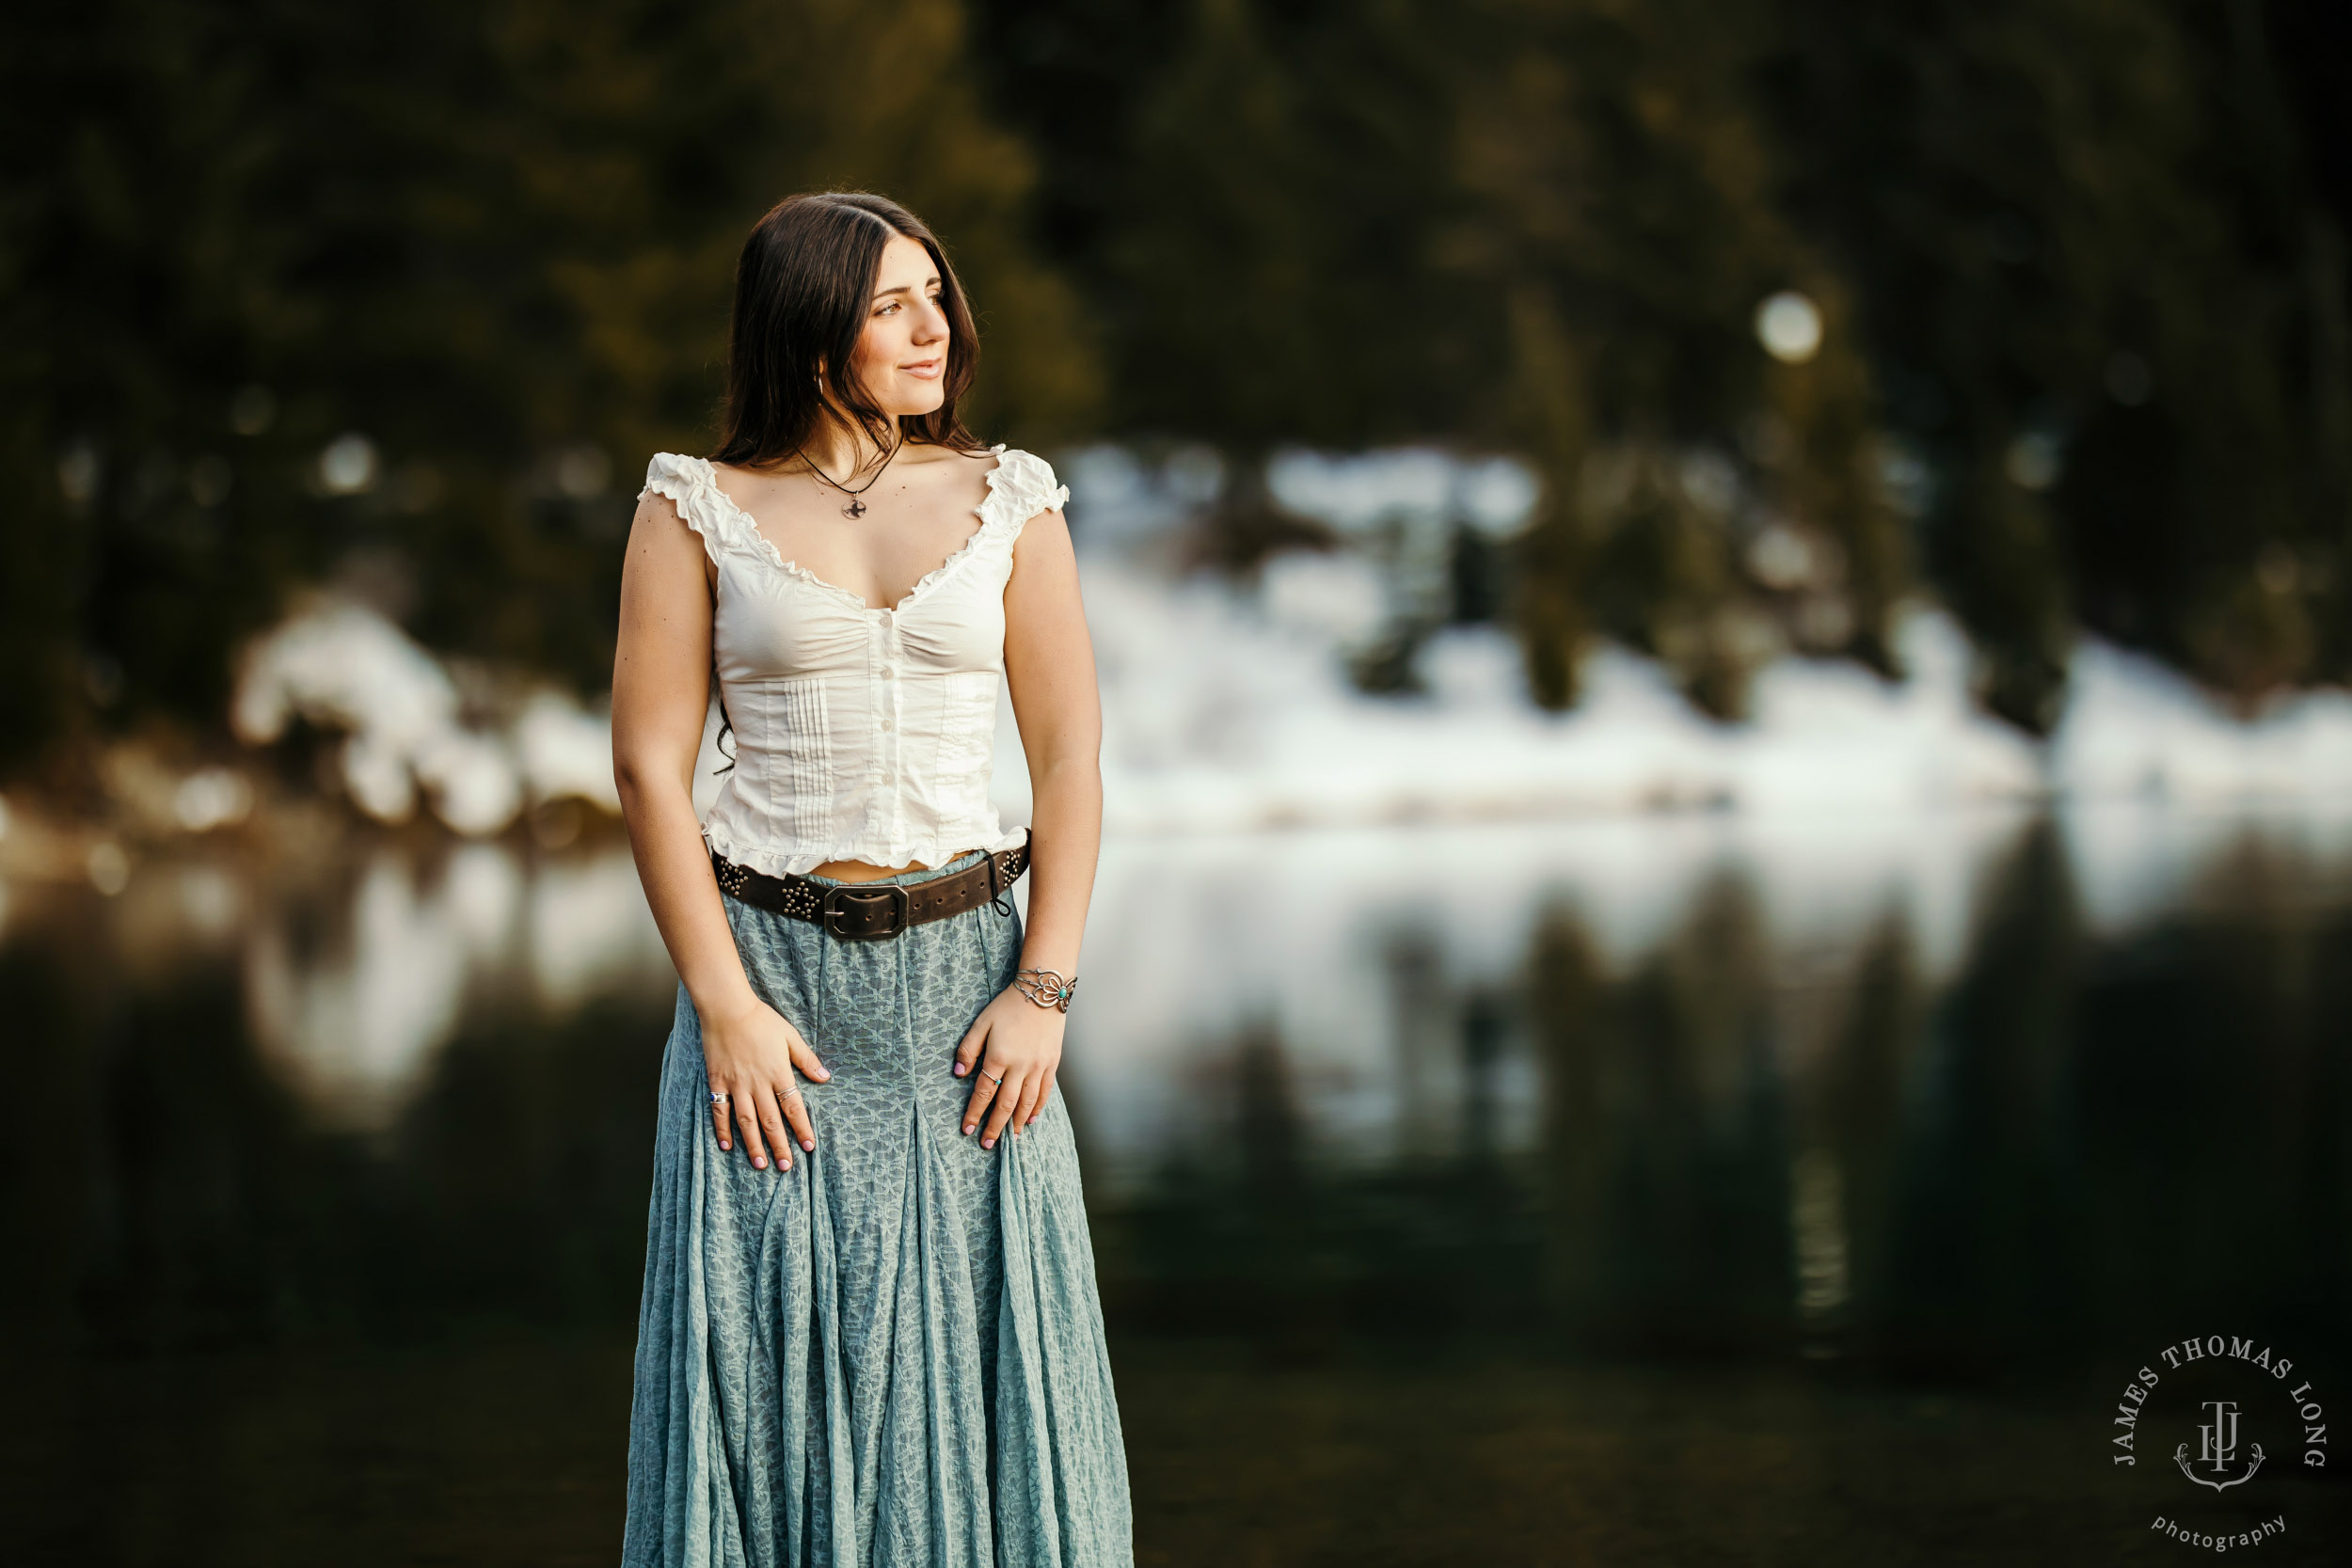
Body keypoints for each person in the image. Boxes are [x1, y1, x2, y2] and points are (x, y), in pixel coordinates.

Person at [610, 190, 1132, 1567]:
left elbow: (1072, 758)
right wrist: (721, 1006)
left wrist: (1047, 988)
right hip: (771, 994)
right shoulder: (693, 509)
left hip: (972, 999)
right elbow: (650, 772)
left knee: (990, 1363)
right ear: (809, 323)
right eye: (891, 301)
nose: (933, 325)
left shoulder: (1008, 497)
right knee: (766, 1378)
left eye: (936, 295)